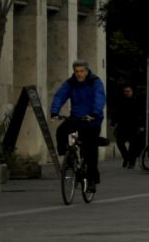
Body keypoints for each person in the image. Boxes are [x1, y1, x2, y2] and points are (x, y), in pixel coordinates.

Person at [50, 60, 106, 192]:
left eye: (81, 71)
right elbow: (60, 95)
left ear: (86, 71)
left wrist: (95, 113)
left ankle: (92, 181)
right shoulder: (70, 83)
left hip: (92, 120)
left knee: (90, 150)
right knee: (61, 131)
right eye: (76, 72)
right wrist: (54, 111)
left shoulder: (95, 82)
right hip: (76, 117)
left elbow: (99, 98)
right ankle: (68, 159)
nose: (79, 74)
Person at [110, 84, 143, 168]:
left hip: (133, 126)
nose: (126, 93)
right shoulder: (120, 101)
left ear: (132, 92)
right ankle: (126, 157)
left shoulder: (136, 101)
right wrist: (113, 123)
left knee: (133, 145)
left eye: (128, 91)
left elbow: (141, 114)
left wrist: (141, 125)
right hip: (122, 126)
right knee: (119, 142)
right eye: (125, 91)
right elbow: (116, 113)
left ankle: (131, 162)